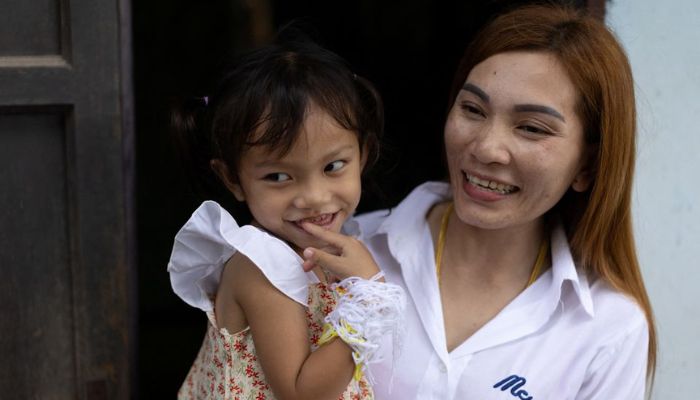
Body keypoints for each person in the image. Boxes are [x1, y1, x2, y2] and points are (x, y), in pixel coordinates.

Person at [301, 4, 656, 399]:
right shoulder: (337, 254)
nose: (487, 148)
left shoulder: (609, 327)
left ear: (587, 165)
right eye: (473, 109)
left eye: (532, 128)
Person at [167, 36, 405, 400]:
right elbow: (302, 394)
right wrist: (368, 299)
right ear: (233, 179)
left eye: (333, 166)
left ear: (364, 154)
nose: (313, 197)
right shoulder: (262, 265)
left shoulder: (327, 247)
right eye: (278, 176)